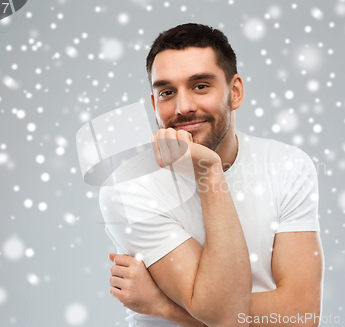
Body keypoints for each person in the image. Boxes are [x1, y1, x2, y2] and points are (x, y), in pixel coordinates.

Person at [99, 23, 324, 327]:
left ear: (235, 92)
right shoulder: (128, 189)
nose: (183, 107)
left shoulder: (287, 166)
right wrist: (209, 172)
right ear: (154, 104)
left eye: (200, 86)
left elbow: (302, 315)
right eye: (167, 92)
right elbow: (224, 313)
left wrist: (162, 306)